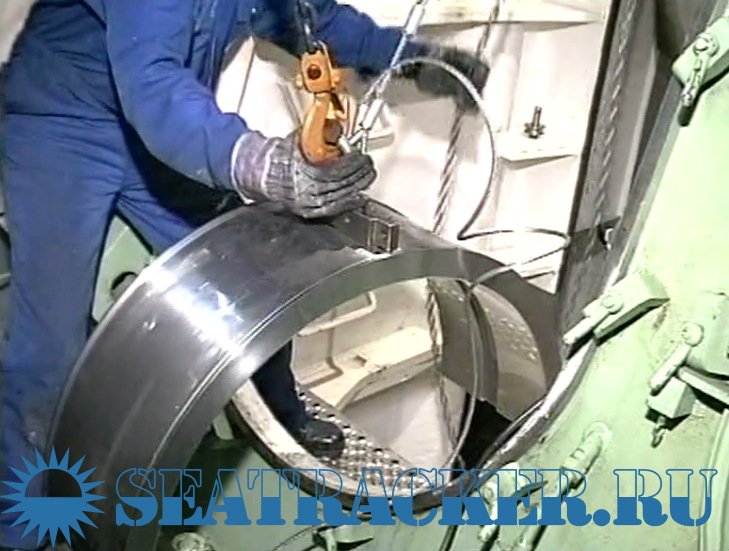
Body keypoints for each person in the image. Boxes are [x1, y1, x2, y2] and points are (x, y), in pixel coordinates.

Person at [0, 0, 488, 549]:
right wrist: (263, 165)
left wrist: (410, 57)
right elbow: (153, 84)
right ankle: (21, 528)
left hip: (148, 133)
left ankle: (282, 419)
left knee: (252, 277)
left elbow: (314, 20)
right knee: (50, 346)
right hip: (59, 126)